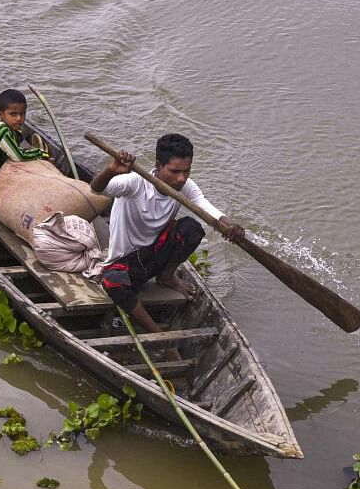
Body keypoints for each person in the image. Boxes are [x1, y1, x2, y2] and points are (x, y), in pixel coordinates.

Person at [90, 133, 245, 339]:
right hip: (126, 263)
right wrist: (111, 170)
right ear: (158, 165)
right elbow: (97, 188)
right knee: (112, 281)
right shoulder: (135, 182)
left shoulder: (186, 186)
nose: (181, 178)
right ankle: (159, 335)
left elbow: (206, 208)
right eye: (174, 171)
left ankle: (166, 276)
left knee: (191, 228)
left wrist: (229, 225)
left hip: (154, 256)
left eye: (186, 171)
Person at [0, 88, 49, 187]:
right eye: (13, 114)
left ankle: (33, 152)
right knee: (29, 167)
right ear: (0, 114)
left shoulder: (1, 125)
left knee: (19, 141)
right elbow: (19, 157)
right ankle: (37, 151)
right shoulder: (2, 130)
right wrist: (41, 153)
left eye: (22, 114)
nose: (19, 119)